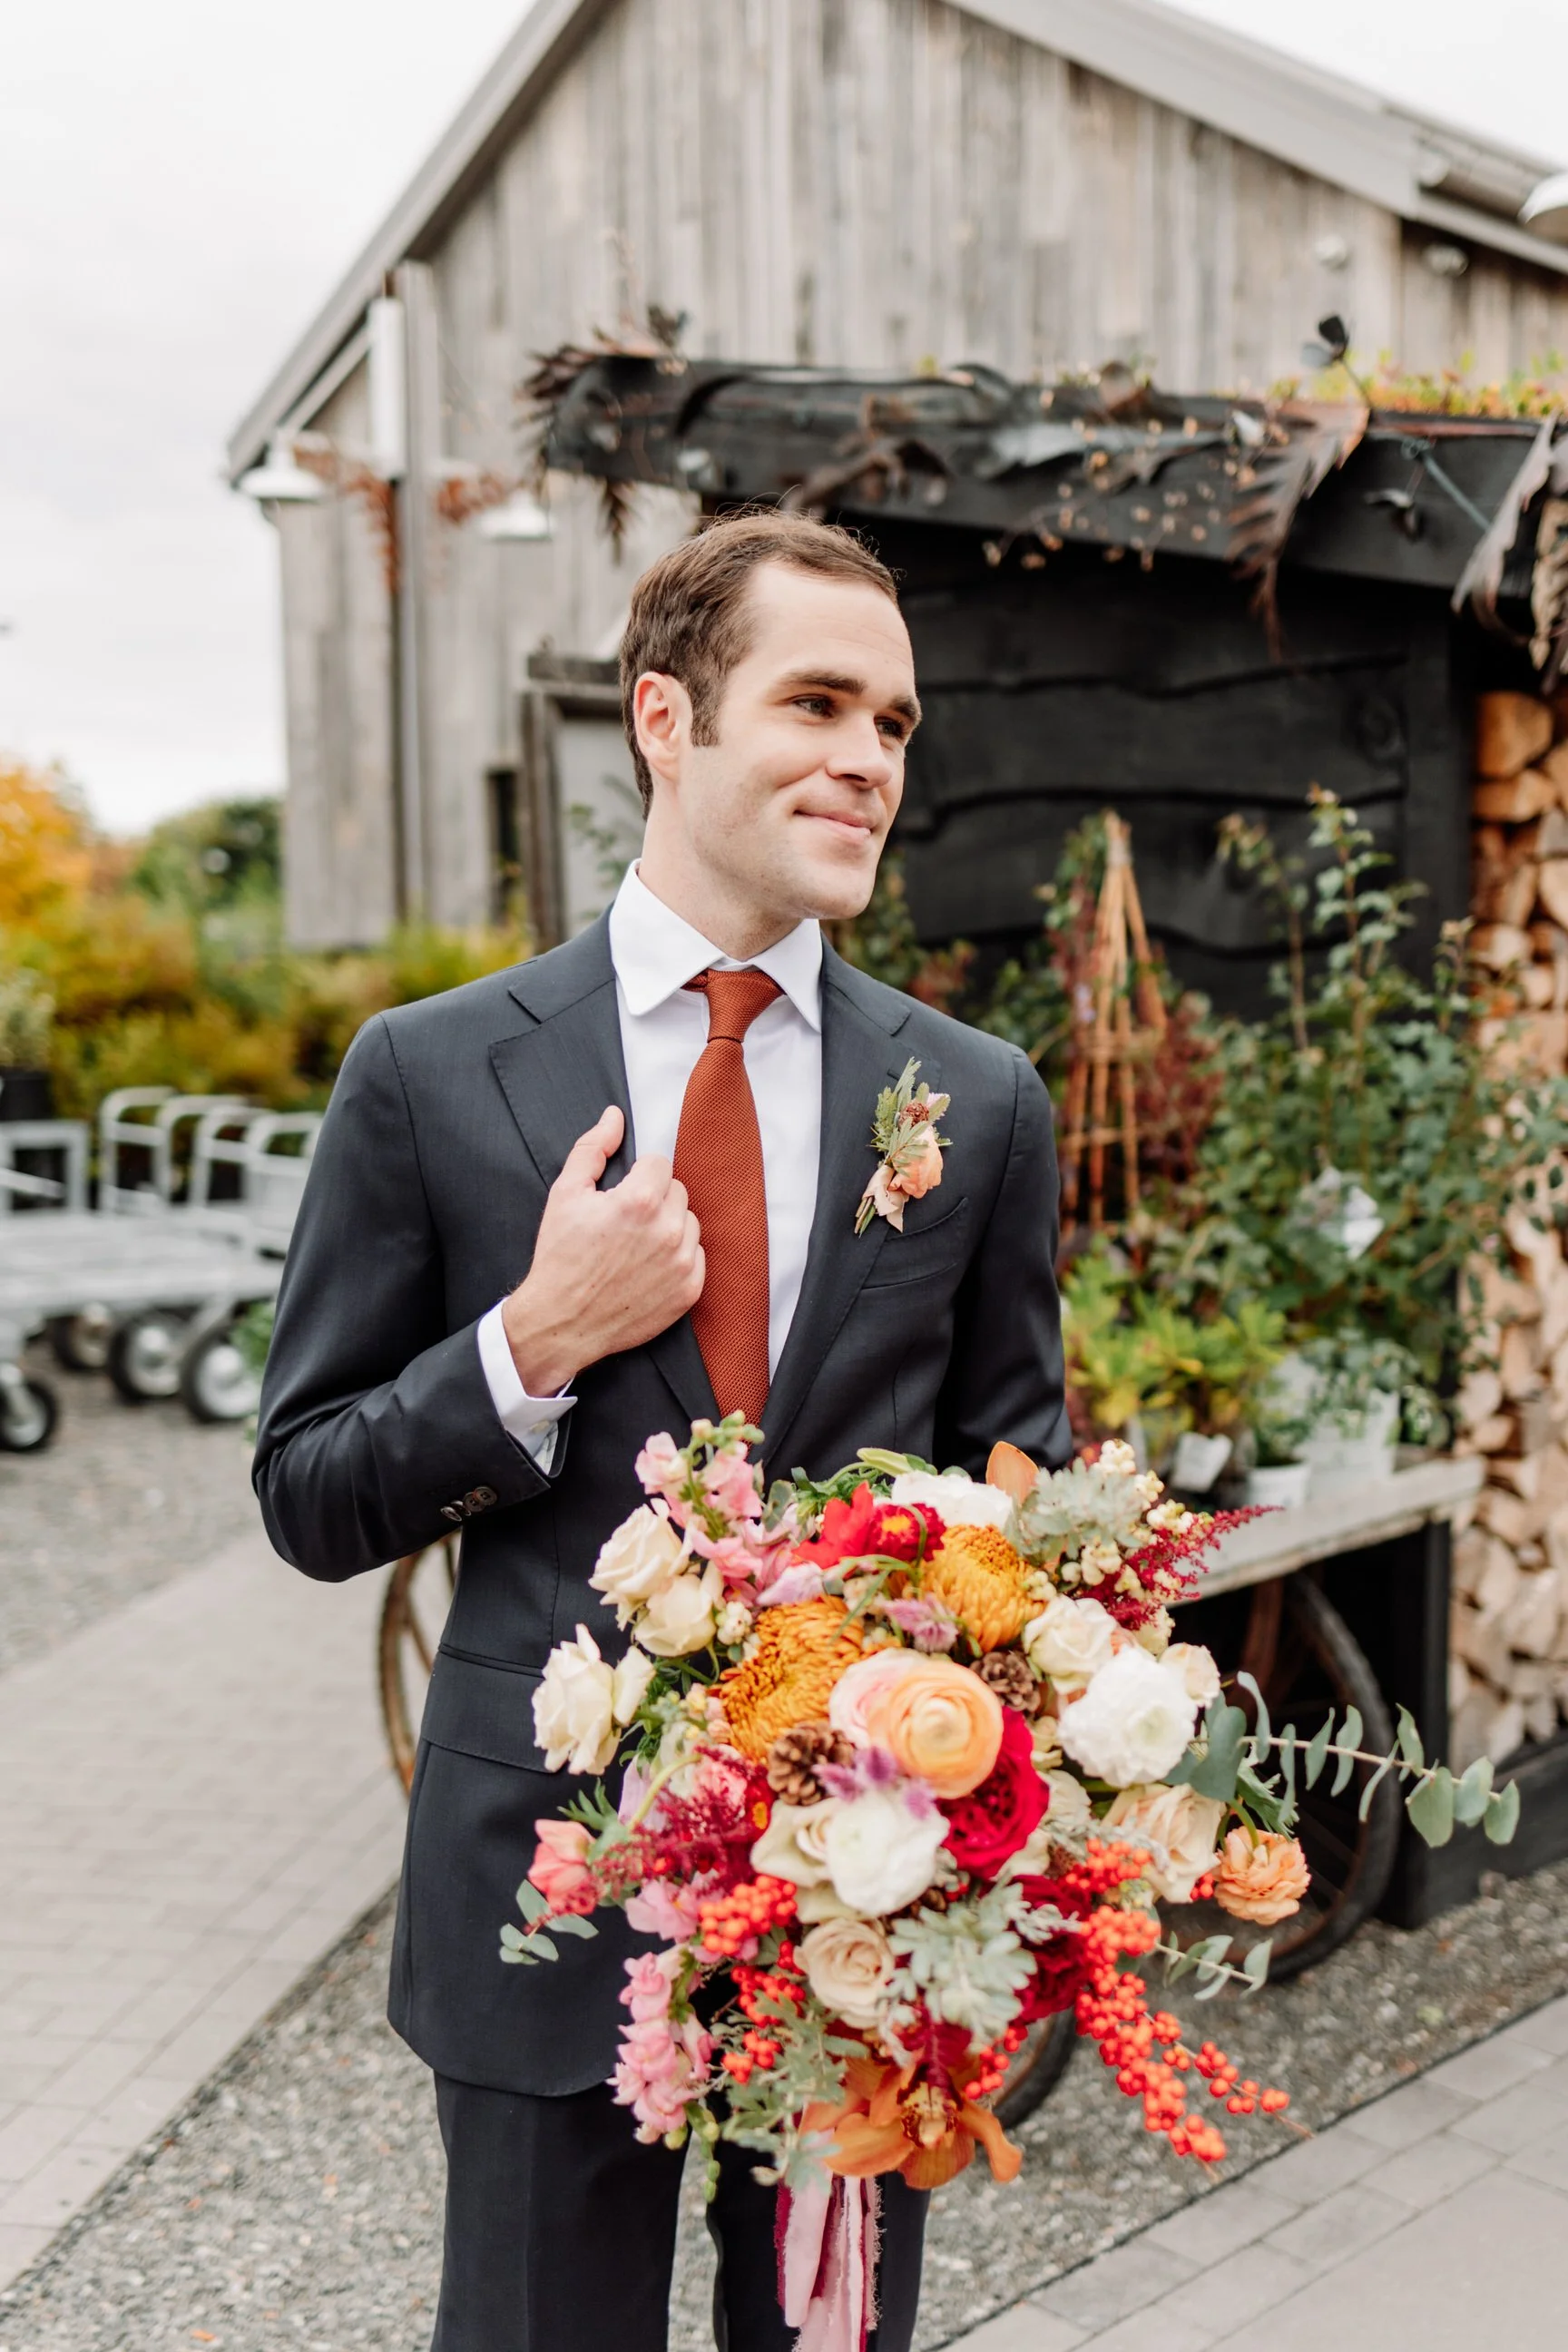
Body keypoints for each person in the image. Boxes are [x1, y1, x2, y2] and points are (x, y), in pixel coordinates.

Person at [254, 509, 1071, 2351]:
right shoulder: (432, 1073)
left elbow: (1023, 1485)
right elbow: (307, 1493)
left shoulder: (978, 1102)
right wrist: (534, 1343)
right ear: (667, 719)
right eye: (816, 703)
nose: (869, 756)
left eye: (896, 722)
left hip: (856, 1915)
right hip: (544, 1894)